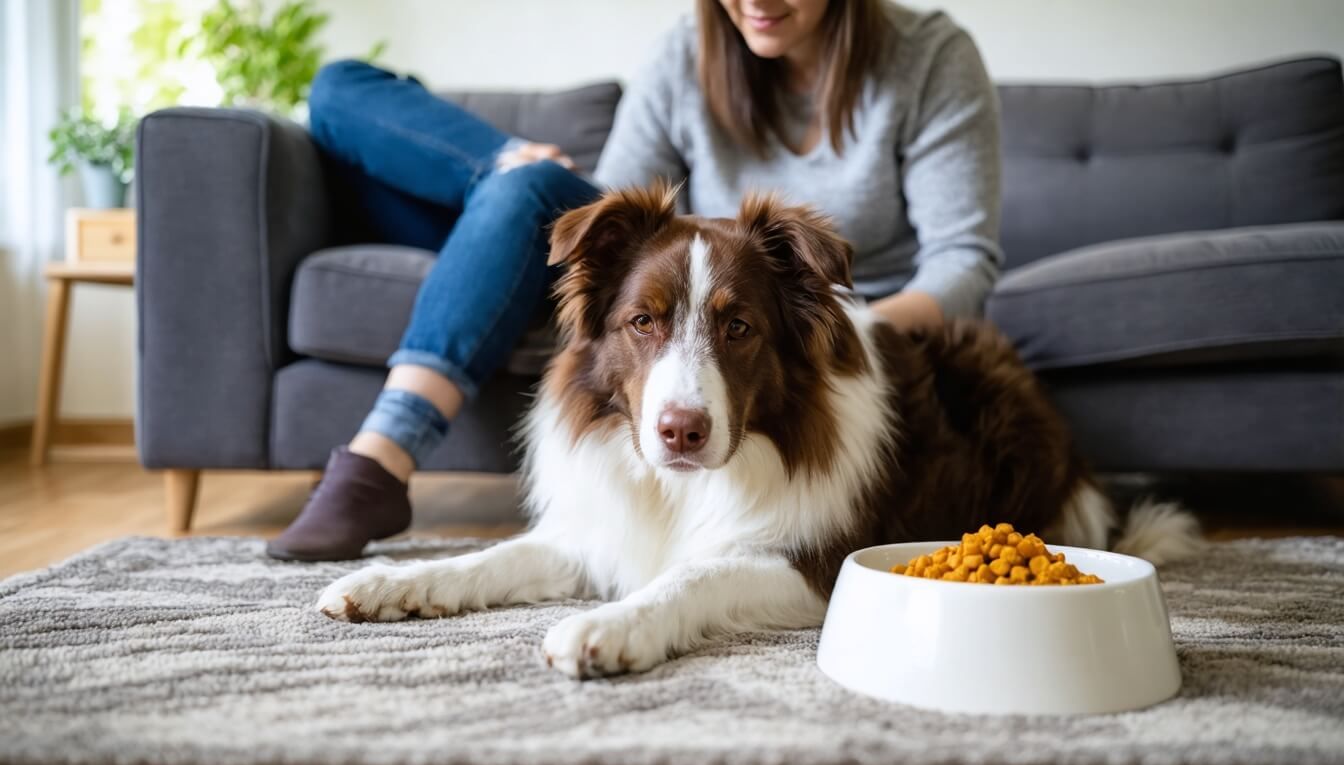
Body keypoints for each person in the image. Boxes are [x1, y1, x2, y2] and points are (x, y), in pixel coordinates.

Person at [266, 0, 1002, 561]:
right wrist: (529, 175)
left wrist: (844, 329)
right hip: (656, 297)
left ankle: (380, 456)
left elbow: (962, 260)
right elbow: (610, 210)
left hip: (799, 312)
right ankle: (499, 168)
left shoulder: (928, 57)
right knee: (340, 89)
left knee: (519, 194)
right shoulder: (688, 50)